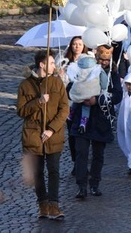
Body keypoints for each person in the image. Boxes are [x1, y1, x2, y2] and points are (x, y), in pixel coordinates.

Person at [17, 50, 69, 220]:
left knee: (54, 170)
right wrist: (38, 102)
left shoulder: (57, 83)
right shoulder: (25, 85)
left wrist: (51, 129)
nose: (55, 66)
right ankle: (43, 205)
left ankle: (54, 205)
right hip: (33, 136)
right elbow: (21, 111)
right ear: (42, 64)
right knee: (38, 173)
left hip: (53, 135)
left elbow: (64, 109)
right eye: (52, 63)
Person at [69, 44, 123, 199]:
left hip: (101, 119)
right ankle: (81, 186)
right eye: (100, 59)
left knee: (98, 155)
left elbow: (117, 95)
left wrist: (97, 100)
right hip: (82, 121)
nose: (103, 62)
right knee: (81, 153)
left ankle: (94, 183)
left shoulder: (112, 75)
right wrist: (81, 96)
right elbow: (70, 89)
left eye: (106, 59)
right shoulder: (84, 71)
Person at [55, 36, 88, 170]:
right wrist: (61, 74)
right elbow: (61, 84)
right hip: (69, 101)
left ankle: (82, 161)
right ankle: (76, 160)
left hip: (83, 100)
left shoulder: (87, 60)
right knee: (72, 132)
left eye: (80, 44)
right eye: (74, 44)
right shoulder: (64, 61)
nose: (77, 46)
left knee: (83, 133)